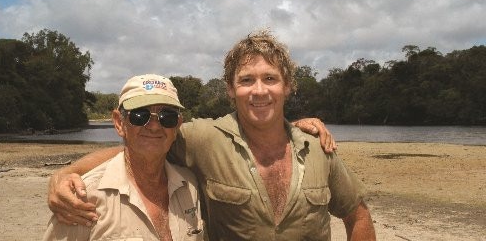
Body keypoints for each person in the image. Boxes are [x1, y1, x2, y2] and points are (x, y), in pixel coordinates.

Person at [48, 30, 375, 240]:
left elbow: (357, 214)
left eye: (270, 79)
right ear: (231, 90)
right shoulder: (206, 138)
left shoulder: (317, 146)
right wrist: (69, 173)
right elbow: (145, 145)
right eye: (246, 80)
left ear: (288, 86)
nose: (259, 91)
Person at [43, 74, 204, 240]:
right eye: (140, 115)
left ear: (177, 125)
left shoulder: (190, 187)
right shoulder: (82, 199)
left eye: (167, 116)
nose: (155, 126)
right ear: (119, 122)